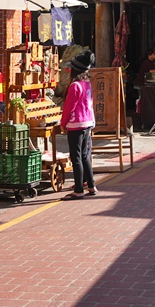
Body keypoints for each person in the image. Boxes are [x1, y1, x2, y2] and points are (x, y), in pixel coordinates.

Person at [60, 50, 97, 199]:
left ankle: (79, 189)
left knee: (76, 158)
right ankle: (92, 186)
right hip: (88, 122)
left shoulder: (75, 86)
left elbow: (69, 107)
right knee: (85, 156)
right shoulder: (87, 84)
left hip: (76, 124)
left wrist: (63, 123)